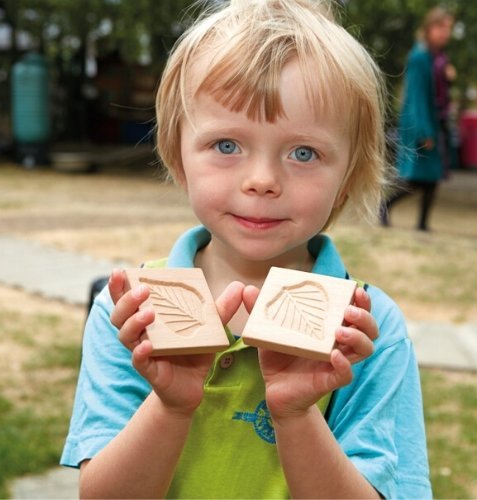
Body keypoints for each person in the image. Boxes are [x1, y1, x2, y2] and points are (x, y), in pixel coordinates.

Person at [61, 1, 431, 498]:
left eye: (304, 153)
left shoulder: (365, 331)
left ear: (347, 180)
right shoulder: (132, 313)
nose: (261, 181)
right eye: (227, 146)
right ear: (178, 154)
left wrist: (297, 414)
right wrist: (171, 406)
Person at [381, 6, 455, 231]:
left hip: (435, 123)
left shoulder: (437, 58)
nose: (446, 33)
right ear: (430, 28)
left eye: (449, 29)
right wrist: (424, 131)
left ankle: (422, 223)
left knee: (432, 178)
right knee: (414, 178)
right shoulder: (420, 57)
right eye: (441, 27)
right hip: (421, 125)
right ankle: (384, 206)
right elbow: (416, 98)